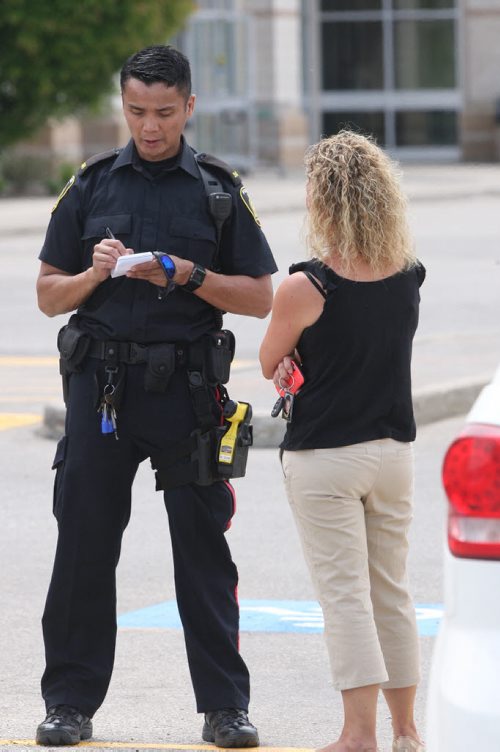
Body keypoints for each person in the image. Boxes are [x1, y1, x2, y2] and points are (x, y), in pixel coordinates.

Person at [35, 44, 277, 747]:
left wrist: (188, 275)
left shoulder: (217, 188)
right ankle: (69, 705)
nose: (149, 126)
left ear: (189, 107)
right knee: (82, 547)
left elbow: (260, 296)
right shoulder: (90, 185)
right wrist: (94, 275)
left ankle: (225, 708)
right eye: (137, 111)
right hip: (101, 390)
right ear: (125, 105)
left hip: (188, 390)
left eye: (164, 112)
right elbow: (49, 294)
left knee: (202, 549)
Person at [259, 130, 426, 752]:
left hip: (326, 455)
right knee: (393, 591)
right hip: (393, 453)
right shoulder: (409, 275)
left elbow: (270, 357)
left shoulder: (307, 286)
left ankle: (358, 736)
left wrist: (291, 356)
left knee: (345, 595)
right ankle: (407, 731)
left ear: (324, 200)